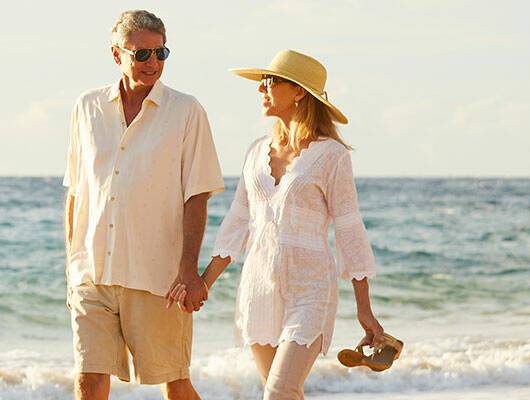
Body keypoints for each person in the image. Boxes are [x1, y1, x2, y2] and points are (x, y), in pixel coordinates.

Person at [189, 49, 386, 399]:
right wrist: (203, 282)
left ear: (298, 91)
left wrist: (365, 309)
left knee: (279, 392)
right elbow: (237, 222)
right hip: (259, 288)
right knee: (282, 393)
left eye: (270, 81)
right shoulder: (255, 151)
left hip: (310, 290)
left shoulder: (332, 156)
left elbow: (349, 231)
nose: (261, 89)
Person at [62, 9, 224, 400]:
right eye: (142, 54)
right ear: (117, 55)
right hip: (93, 274)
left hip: (158, 278)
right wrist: (72, 264)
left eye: (160, 53)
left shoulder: (186, 112)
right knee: (89, 379)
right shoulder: (86, 108)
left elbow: (197, 194)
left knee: (175, 383)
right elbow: (75, 190)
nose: (153, 63)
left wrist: (189, 270)